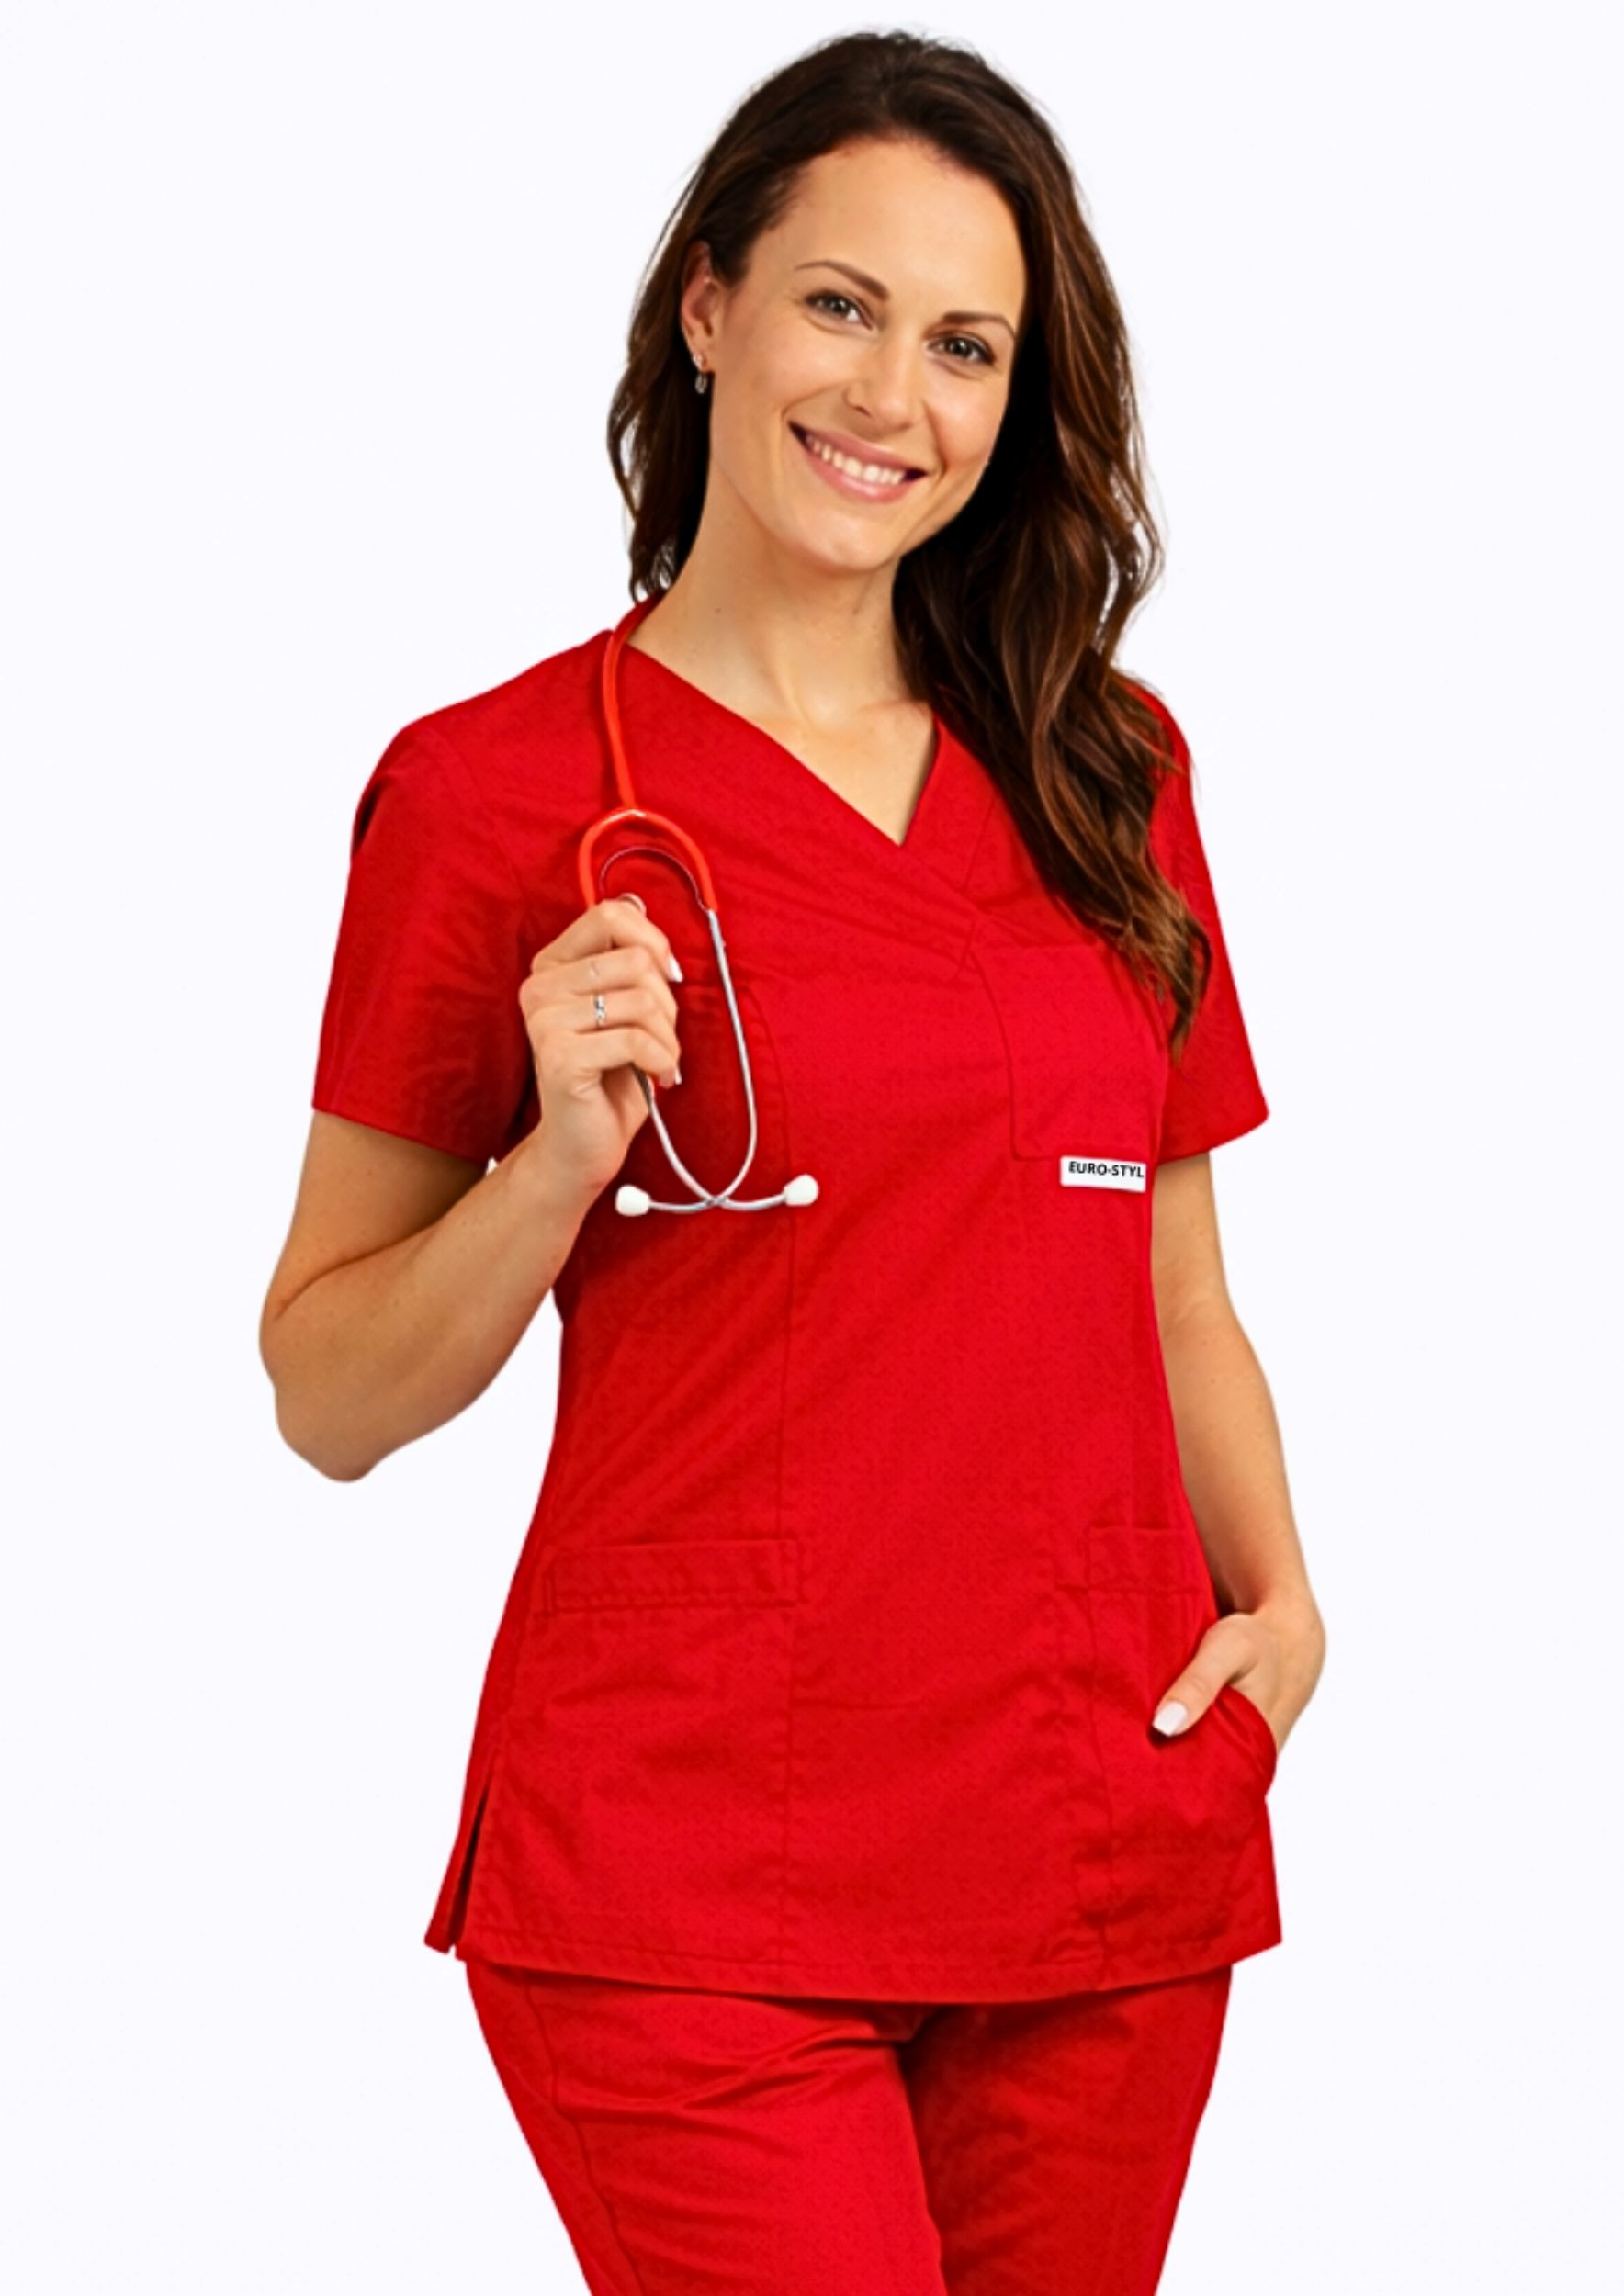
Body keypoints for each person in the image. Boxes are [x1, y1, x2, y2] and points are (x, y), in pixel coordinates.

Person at [261, 28, 1326, 2294]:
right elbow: (324, 1390)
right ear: (708, 306)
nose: (890, 395)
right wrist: (550, 1161)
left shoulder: (1105, 771)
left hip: (1091, 1843)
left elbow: (1172, 1282)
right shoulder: (491, 792)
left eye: (963, 344)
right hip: (690, 1871)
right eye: (840, 304)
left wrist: (1281, 1611)